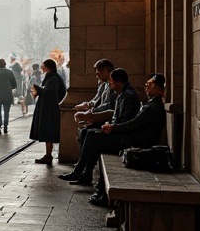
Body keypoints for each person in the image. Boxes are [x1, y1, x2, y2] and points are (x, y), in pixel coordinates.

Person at [70, 73, 168, 205]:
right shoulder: (150, 104)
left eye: (150, 84)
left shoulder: (152, 107)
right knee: (93, 136)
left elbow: (132, 124)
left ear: (159, 88)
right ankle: (96, 187)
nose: (146, 86)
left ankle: (85, 176)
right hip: (132, 138)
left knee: (94, 138)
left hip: (135, 142)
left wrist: (112, 128)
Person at [59, 68, 140, 182]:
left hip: (124, 138)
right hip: (119, 132)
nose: (111, 86)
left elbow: (126, 122)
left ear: (118, 82)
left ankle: (80, 171)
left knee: (92, 136)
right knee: (87, 132)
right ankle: (85, 173)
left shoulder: (128, 96)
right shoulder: (123, 93)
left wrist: (111, 127)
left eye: (111, 83)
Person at [29, 58, 67, 163]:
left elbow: (50, 93)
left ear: (48, 67)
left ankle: (48, 155)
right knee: (47, 132)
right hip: (48, 108)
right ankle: (48, 154)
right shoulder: (51, 77)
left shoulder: (53, 78)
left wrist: (38, 89)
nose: (42, 67)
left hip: (50, 109)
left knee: (48, 131)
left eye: (43, 66)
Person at [73, 59, 115, 129]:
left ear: (106, 71)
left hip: (108, 119)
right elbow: (97, 100)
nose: (97, 76)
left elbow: (110, 105)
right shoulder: (104, 85)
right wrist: (88, 106)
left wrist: (91, 112)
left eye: (98, 73)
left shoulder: (114, 86)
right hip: (100, 117)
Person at [0, 57, 18, 134]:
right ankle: (5, 127)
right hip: (7, 94)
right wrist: (9, 87)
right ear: (5, 64)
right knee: (6, 111)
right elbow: (14, 84)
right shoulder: (9, 72)